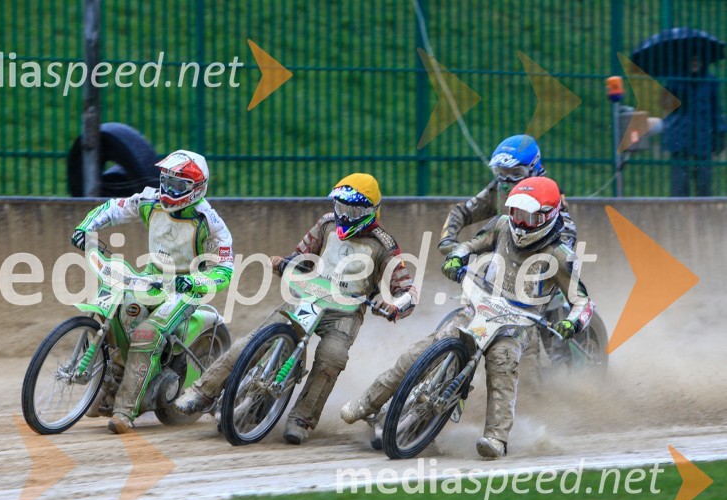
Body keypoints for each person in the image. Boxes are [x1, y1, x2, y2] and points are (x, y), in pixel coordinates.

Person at [341, 176, 593, 458]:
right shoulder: (502, 225)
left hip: (516, 324)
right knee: (419, 352)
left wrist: (573, 322)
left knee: (502, 364)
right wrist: (456, 257)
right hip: (478, 306)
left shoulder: (560, 256)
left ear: (548, 216)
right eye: (517, 213)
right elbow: (472, 244)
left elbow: (582, 300)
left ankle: (496, 437)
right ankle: (366, 403)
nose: (521, 223)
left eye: (529, 217)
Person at [175, 173, 418, 445]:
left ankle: (302, 418)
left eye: (353, 211)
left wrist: (393, 306)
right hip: (307, 297)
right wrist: (286, 263)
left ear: (371, 211)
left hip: (345, 312)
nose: (345, 216)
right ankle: (202, 392)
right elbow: (302, 256)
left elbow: (407, 290)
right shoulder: (326, 224)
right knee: (255, 339)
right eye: (341, 207)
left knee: (332, 356)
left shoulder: (384, 246)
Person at [70, 149, 234, 434]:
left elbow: (224, 269)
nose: (169, 190)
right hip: (151, 276)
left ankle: (124, 411)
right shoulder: (150, 201)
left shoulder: (210, 223)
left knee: (148, 334)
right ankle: (111, 382)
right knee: (118, 311)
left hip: (185, 287)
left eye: (178, 185)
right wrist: (86, 228)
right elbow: (115, 207)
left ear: (197, 189)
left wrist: (195, 282)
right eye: (166, 181)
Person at [437, 135, 577, 384]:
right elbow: (463, 211)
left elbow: (568, 231)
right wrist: (448, 239)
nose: (507, 179)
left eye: (515, 173)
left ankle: (563, 376)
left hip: (537, 274)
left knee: (546, 320)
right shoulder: (498, 189)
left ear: (533, 168)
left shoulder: (548, 192)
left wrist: (549, 262)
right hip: (502, 267)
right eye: (501, 172)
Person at [662, 54, 721, 197]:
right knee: (679, 186)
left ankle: (704, 210)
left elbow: (716, 110)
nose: (694, 62)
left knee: (704, 184)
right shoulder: (675, 79)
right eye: (691, 59)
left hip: (703, 136)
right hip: (680, 136)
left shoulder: (710, 80)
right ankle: (679, 211)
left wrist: (719, 133)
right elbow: (665, 104)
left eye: (697, 59)